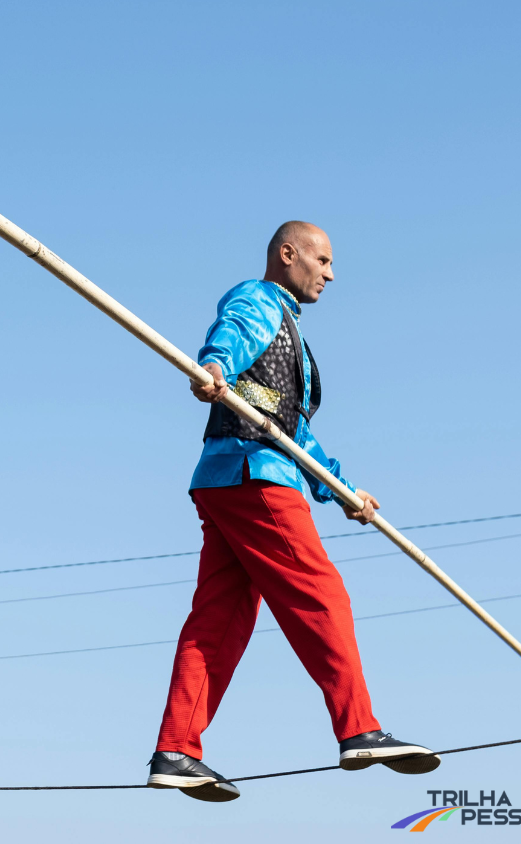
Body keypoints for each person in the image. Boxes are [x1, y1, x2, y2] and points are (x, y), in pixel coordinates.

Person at [147, 222, 439, 802]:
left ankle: (176, 749)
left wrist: (345, 491)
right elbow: (227, 339)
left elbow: (293, 431)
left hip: (228, 478)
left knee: (220, 621)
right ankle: (359, 728)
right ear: (289, 255)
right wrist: (213, 368)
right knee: (320, 593)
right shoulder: (258, 302)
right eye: (323, 261)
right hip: (255, 477)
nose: (330, 275)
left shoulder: (291, 337)